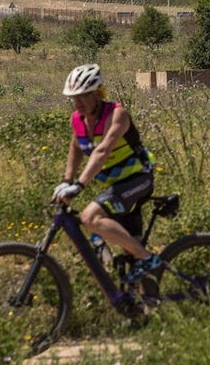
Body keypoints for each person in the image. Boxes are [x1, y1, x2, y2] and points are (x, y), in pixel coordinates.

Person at [52, 63, 161, 282]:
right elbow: (76, 147)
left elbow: (102, 151)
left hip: (137, 179)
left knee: (90, 217)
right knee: (130, 254)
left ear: (97, 93)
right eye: (74, 98)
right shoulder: (78, 120)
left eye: (83, 96)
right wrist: (66, 180)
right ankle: (144, 306)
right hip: (115, 187)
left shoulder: (117, 115)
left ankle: (149, 258)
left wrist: (79, 186)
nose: (78, 102)